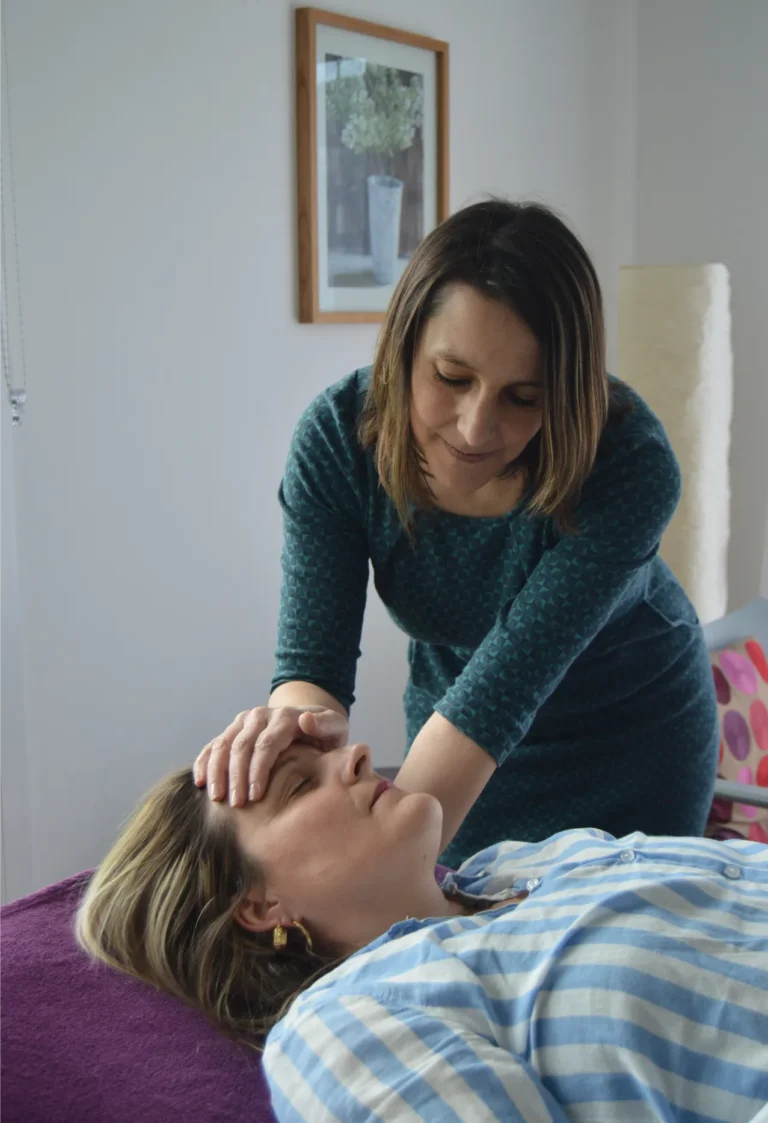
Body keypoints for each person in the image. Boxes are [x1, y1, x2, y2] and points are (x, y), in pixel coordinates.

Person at [195, 199, 719, 868]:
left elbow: (503, 692)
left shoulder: (626, 462)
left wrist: (370, 872)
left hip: (630, 745)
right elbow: (312, 677)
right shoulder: (339, 442)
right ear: (403, 346)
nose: (476, 428)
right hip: (452, 731)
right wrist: (289, 735)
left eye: (523, 397)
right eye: (451, 377)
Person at [78, 743, 768, 1122]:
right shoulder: (344, 1022)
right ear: (256, 905)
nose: (355, 755)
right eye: (299, 784)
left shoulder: (520, 862)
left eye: (330, 750)